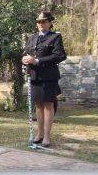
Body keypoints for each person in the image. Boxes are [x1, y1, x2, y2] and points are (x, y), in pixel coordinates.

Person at [22, 12, 67, 148]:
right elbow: (26, 53)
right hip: (35, 76)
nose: (41, 24)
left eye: (44, 22)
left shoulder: (55, 37)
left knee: (48, 105)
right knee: (38, 105)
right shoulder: (32, 38)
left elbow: (60, 55)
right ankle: (40, 134)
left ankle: (47, 136)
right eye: (39, 22)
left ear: (49, 23)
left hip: (48, 76)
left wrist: (38, 60)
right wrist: (24, 59)